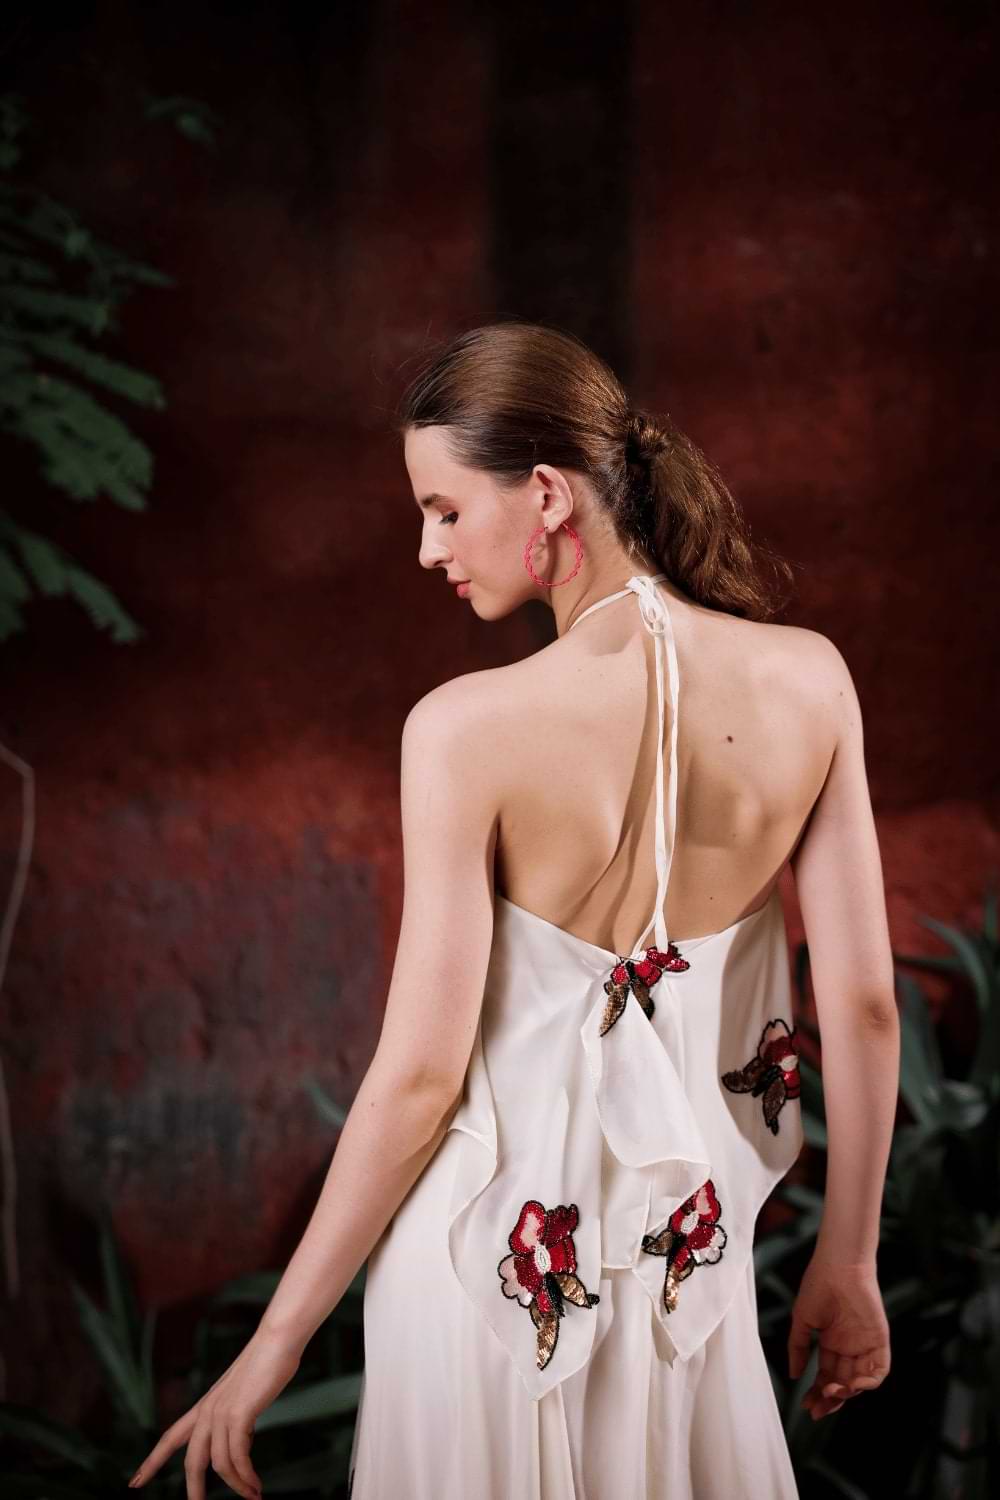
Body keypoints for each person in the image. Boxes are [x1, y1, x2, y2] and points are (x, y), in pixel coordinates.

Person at [128, 321, 896, 1500]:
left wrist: (274, 1345)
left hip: (486, 1276)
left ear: (545, 493)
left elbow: (419, 1079)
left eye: (444, 509)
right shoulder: (813, 679)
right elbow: (864, 1005)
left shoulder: (463, 730)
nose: (427, 548)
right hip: (682, 1272)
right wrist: (849, 1260)